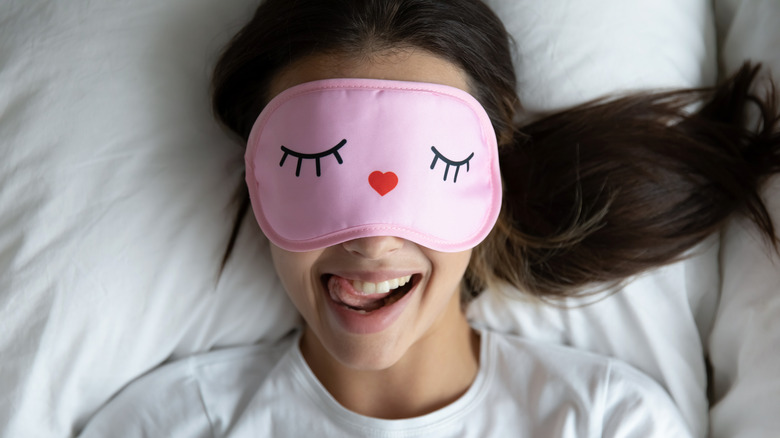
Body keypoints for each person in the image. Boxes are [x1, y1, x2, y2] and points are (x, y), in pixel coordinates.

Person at [80, 0, 780, 436]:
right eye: (318, 163)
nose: (375, 238)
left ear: (488, 174)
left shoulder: (608, 422)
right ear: (258, 172)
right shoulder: (163, 426)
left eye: (429, 169)